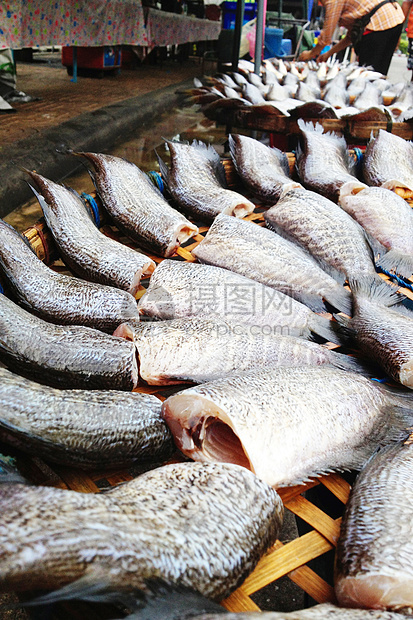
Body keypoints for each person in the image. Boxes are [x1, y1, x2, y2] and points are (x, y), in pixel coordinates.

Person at [299, 0, 405, 76]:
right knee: (378, 74)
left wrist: (310, 54)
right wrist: (328, 54)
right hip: (394, 18)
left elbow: (326, 38)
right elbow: (350, 37)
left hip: (379, 21)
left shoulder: (333, 2)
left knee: (367, 75)